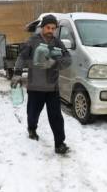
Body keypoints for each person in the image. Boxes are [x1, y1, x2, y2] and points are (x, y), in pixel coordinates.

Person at [11, 14, 72, 154]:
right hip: (35, 86)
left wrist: (55, 62)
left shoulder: (57, 43)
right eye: (48, 27)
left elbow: (68, 59)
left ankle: (59, 143)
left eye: (53, 28)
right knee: (33, 114)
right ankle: (31, 128)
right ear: (42, 27)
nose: (51, 30)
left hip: (52, 87)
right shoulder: (33, 41)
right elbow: (22, 57)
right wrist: (17, 73)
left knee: (56, 116)